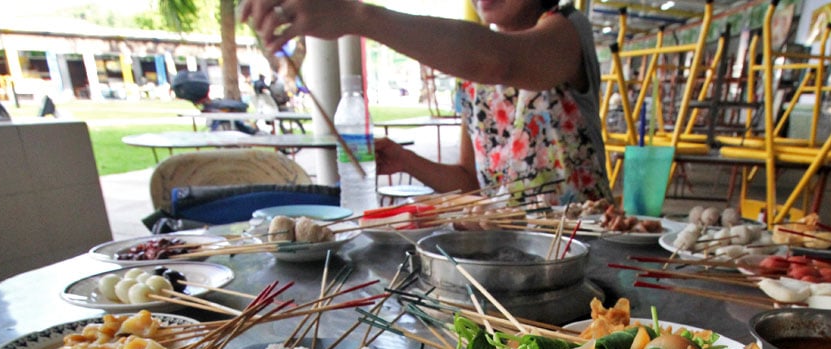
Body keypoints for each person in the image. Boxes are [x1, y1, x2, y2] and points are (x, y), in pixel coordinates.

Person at [239, 0, 612, 204]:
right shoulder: (472, 78)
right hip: (516, 256)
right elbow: (471, 183)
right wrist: (404, 160)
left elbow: (501, 60)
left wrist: (357, 14)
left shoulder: (566, 30)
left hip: (587, 251)